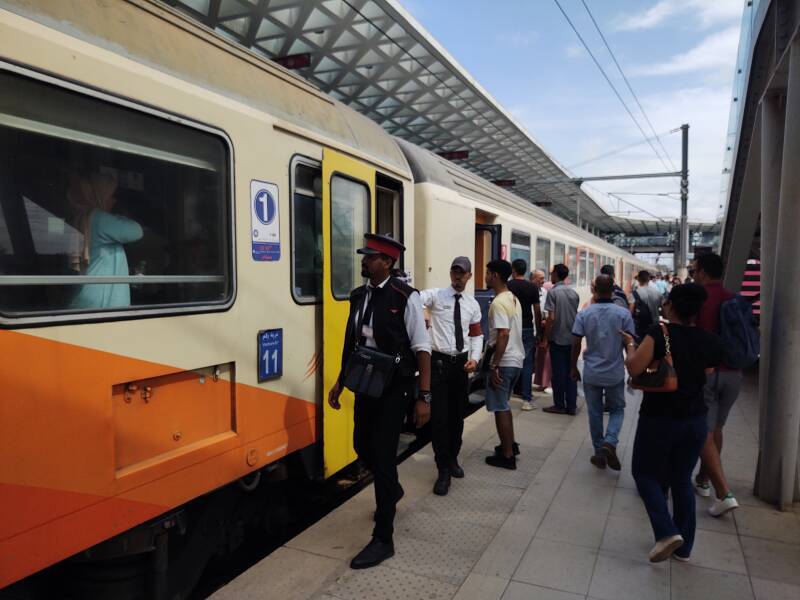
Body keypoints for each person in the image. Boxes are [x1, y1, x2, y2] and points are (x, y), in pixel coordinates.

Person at [327, 233, 432, 569]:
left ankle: (383, 538)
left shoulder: (405, 297)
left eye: (370, 257)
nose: (364, 261)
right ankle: (392, 490)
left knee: (384, 458)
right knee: (362, 446)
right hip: (364, 382)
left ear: (387, 262)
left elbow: (422, 348)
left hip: (394, 388)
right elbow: (351, 343)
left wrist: (424, 397)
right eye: (365, 256)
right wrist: (340, 382)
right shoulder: (359, 296)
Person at [622, 283, 725, 563]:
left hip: (660, 418)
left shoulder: (659, 332)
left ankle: (666, 532)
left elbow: (634, 367)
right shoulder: (709, 339)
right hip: (695, 420)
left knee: (644, 474)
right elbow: (708, 369)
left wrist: (630, 344)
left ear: (671, 306)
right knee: (681, 479)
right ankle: (684, 547)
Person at [420, 257, 483, 496]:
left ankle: (453, 458)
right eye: (455, 272)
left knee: (458, 417)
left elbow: (476, 335)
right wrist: (423, 325)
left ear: (469, 276)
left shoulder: (472, 305)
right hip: (439, 364)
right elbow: (414, 300)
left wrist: (475, 358)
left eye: (462, 273)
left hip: (461, 365)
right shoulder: (436, 296)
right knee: (440, 419)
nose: (458, 277)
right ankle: (442, 469)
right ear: (450, 273)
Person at [692, 253, 741, 517]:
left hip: (710, 373)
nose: (693, 273)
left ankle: (724, 492)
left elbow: (695, 334)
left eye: (694, 269)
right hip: (734, 374)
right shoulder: (732, 297)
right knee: (717, 428)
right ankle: (703, 480)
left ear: (702, 272)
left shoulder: (702, 298)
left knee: (702, 430)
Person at [571, 275, 635, 470]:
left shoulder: (585, 313)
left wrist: (573, 366)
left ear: (594, 289)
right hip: (615, 372)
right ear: (613, 290)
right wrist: (632, 369)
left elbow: (575, 342)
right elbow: (630, 341)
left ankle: (599, 452)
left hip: (592, 371)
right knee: (617, 410)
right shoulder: (623, 314)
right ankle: (610, 440)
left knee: (595, 412)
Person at [69, 169, 143, 309]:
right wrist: (120, 216)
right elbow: (137, 231)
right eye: (111, 195)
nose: (114, 200)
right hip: (101, 302)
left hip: (85, 295)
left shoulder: (81, 216)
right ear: (99, 195)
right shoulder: (99, 218)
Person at [484, 259, 524, 470]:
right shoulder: (512, 298)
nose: (486, 276)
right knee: (504, 406)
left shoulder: (499, 302)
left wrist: (494, 365)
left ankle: (507, 456)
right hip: (516, 360)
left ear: (495, 276)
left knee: (500, 408)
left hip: (504, 362)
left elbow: (503, 333)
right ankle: (510, 445)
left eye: (488, 273)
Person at [541, 264, 579, 415]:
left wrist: (545, 338)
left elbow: (551, 318)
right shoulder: (574, 293)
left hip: (557, 338)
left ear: (555, 274)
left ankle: (559, 405)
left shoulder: (553, 293)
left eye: (552, 273)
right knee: (571, 371)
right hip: (573, 338)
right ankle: (572, 406)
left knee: (558, 374)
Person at [507, 259, 542, 411]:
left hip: (511, 328)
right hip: (527, 328)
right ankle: (527, 400)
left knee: (509, 361)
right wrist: (539, 331)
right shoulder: (532, 288)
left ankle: (506, 397)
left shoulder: (507, 286)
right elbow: (537, 311)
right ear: (525, 271)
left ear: (513, 270)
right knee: (527, 364)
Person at [531, 269, 552, 393]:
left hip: (541, 328)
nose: (543, 281)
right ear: (532, 278)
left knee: (541, 356)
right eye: (540, 278)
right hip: (531, 327)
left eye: (543, 278)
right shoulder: (528, 290)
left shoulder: (545, 292)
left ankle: (543, 382)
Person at [631, 270, 662, 340]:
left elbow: (630, 312)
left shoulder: (634, 294)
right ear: (649, 279)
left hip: (640, 328)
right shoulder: (658, 293)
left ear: (638, 279)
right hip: (655, 326)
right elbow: (664, 311)